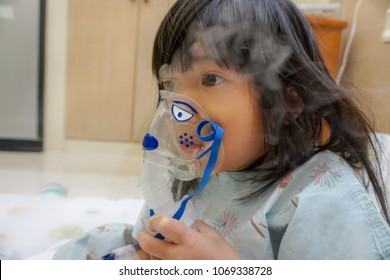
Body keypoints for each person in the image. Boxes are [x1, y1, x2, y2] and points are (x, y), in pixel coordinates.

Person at [54, 0, 390, 260]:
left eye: (210, 79)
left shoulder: (317, 197)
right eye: (169, 83)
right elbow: (149, 242)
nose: (178, 108)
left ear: (287, 103)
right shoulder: (187, 178)